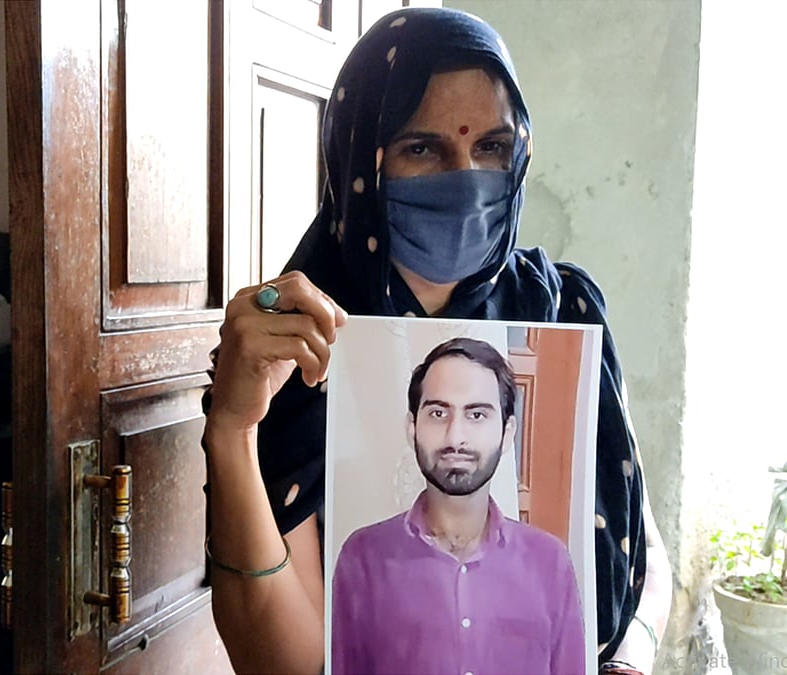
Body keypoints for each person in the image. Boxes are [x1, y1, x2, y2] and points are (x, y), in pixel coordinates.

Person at [202, 7, 671, 674]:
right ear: (359, 156)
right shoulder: (295, 354)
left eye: (492, 147)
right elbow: (282, 662)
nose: (467, 177)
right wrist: (232, 430)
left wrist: (633, 652)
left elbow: (647, 547)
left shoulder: (562, 309)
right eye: (422, 148)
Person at [331, 337, 583, 674]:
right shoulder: (362, 556)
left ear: (507, 433)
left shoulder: (549, 562)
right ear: (412, 428)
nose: (455, 438)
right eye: (438, 413)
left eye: (477, 414)